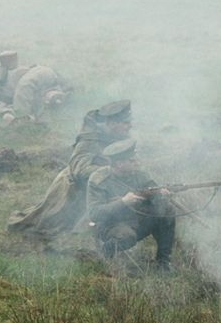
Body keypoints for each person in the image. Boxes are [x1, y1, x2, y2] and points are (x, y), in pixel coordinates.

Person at [7, 100, 132, 238]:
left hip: (100, 186)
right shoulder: (89, 141)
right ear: (112, 124)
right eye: (125, 123)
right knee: (57, 226)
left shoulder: (117, 137)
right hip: (73, 191)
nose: (129, 126)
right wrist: (111, 170)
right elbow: (79, 170)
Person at [86, 139, 176, 271]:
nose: (136, 163)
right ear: (119, 164)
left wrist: (161, 195)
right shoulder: (99, 180)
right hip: (110, 225)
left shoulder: (139, 174)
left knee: (167, 210)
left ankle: (164, 262)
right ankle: (105, 251)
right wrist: (123, 202)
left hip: (135, 220)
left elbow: (153, 192)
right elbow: (94, 213)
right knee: (126, 237)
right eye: (132, 160)